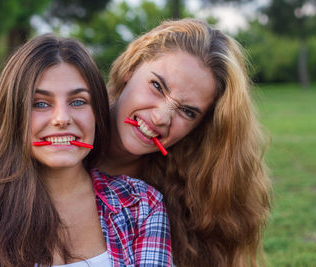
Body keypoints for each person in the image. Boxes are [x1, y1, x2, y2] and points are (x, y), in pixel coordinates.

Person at [0, 35, 172, 266]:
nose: (62, 119)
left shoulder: (141, 203)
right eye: (40, 103)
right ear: (13, 114)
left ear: (97, 112)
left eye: (78, 102)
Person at [99, 18, 272, 267]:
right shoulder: (55, 135)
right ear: (130, 68)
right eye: (157, 86)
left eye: (188, 112)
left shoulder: (177, 202)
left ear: (199, 127)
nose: (160, 118)